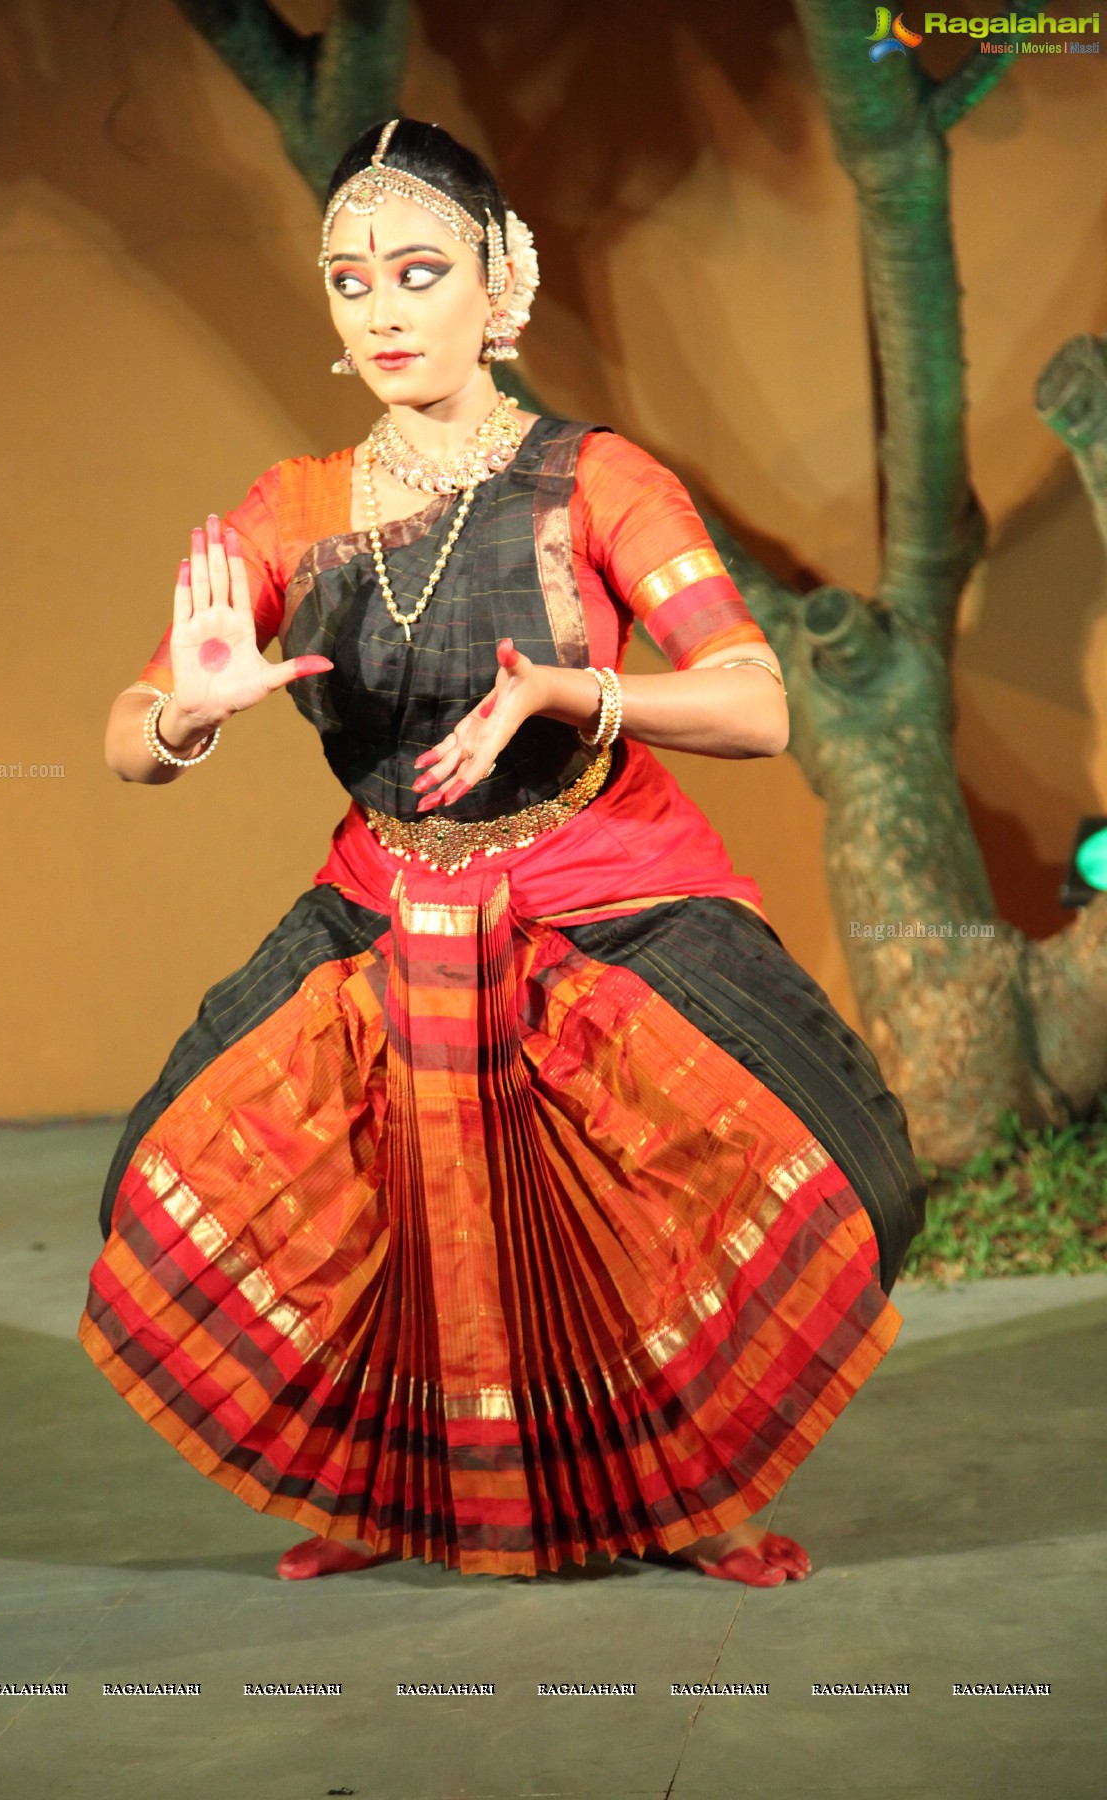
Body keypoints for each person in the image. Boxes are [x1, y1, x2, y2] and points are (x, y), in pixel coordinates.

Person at [79, 118, 928, 1590]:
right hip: (387, 899)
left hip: (593, 884)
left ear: (500, 283)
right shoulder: (294, 509)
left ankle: (689, 1495)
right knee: (209, 1183)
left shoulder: (597, 479)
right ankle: (397, 1502)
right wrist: (186, 712)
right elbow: (126, 734)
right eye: (353, 282)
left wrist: (572, 690)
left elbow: (755, 701)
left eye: (420, 271)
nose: (386, 309)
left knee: (824, 1167)